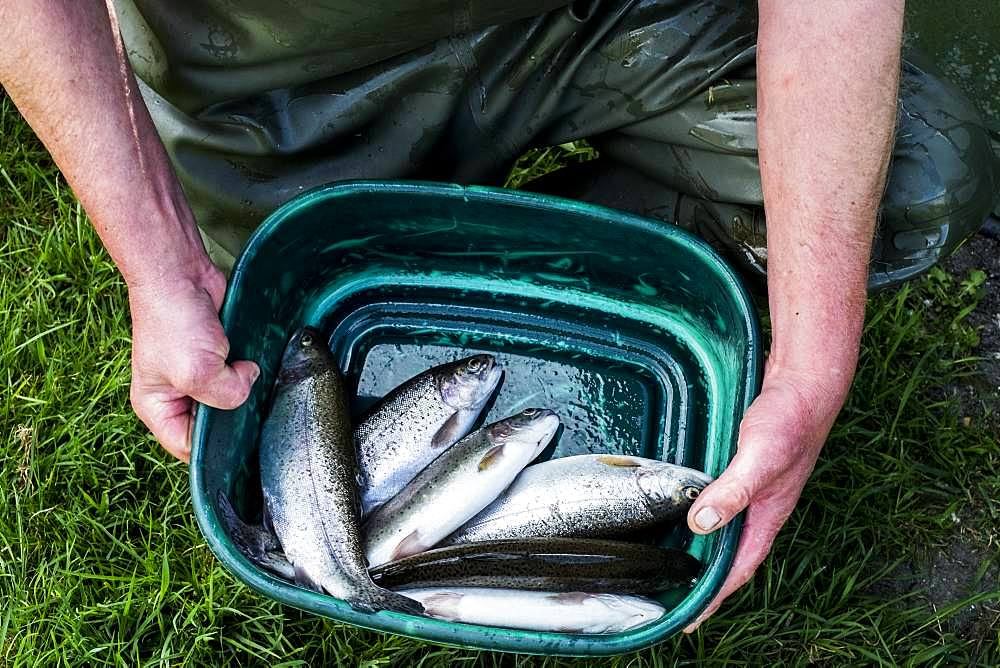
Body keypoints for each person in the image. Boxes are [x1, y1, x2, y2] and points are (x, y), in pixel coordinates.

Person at [1, 0, 996, 632]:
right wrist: (154, 260)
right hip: (264, 69)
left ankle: (574, 265)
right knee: (286, 306)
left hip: (608, 13)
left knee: (911, 177)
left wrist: (813, 363)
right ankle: (450, 253)